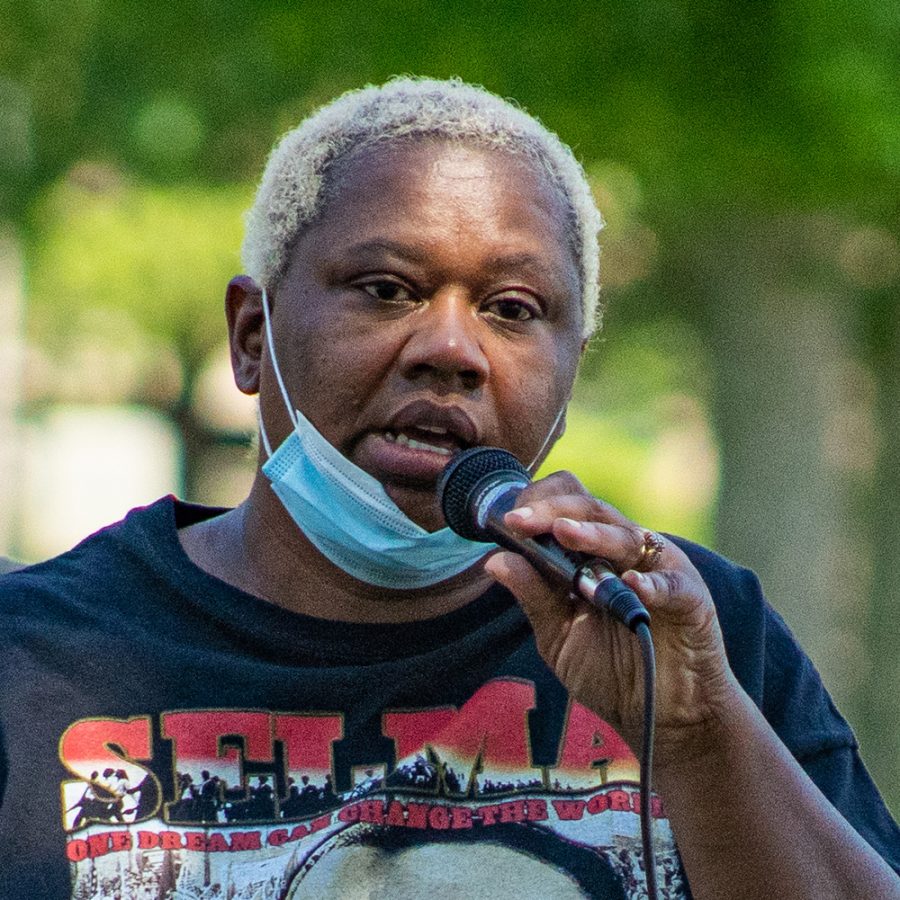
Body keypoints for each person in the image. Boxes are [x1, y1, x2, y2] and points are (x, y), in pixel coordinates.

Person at [0, 77, 898, 900]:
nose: (453, 351)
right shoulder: (34, 653)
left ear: (570, 370)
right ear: (249, 336)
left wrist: (701, 736)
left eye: (513, 310)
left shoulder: (685, 633)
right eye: (387, 289)